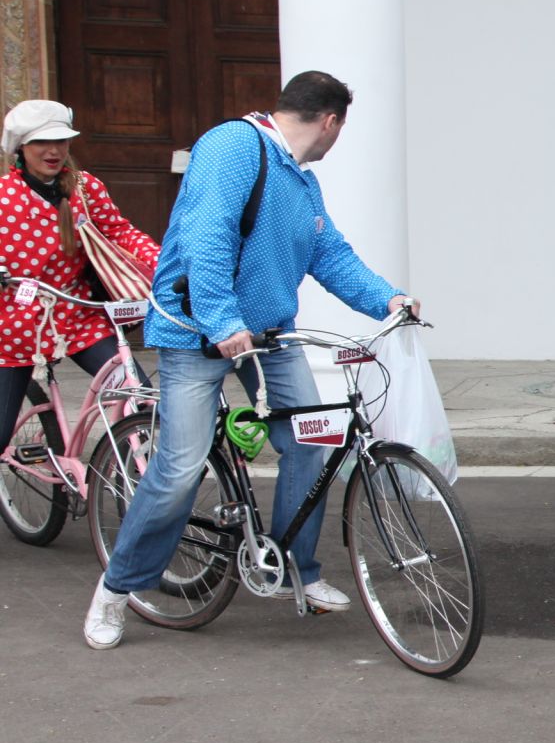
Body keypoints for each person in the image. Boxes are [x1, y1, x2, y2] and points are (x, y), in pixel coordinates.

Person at [82, 71, 419, 650]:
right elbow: (205, 237)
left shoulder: (300, 180)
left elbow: (328, 252)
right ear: (332, 121)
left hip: (269, 336)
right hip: (197, 333)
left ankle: (297, 569)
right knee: (180, 466)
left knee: (312, 442)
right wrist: (221, 320)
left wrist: (385, 297)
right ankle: (117, 590)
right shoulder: (233, 146)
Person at [1, 100, 161, 485]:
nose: (53, 150)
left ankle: (130, 480)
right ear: (21, 146)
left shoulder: (85, 188)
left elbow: (119, 232)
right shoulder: (4, 195)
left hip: (76, 316)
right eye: (42, 141)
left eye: (61, 140)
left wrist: (159, 264)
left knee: (134, 392)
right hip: (13, 326)